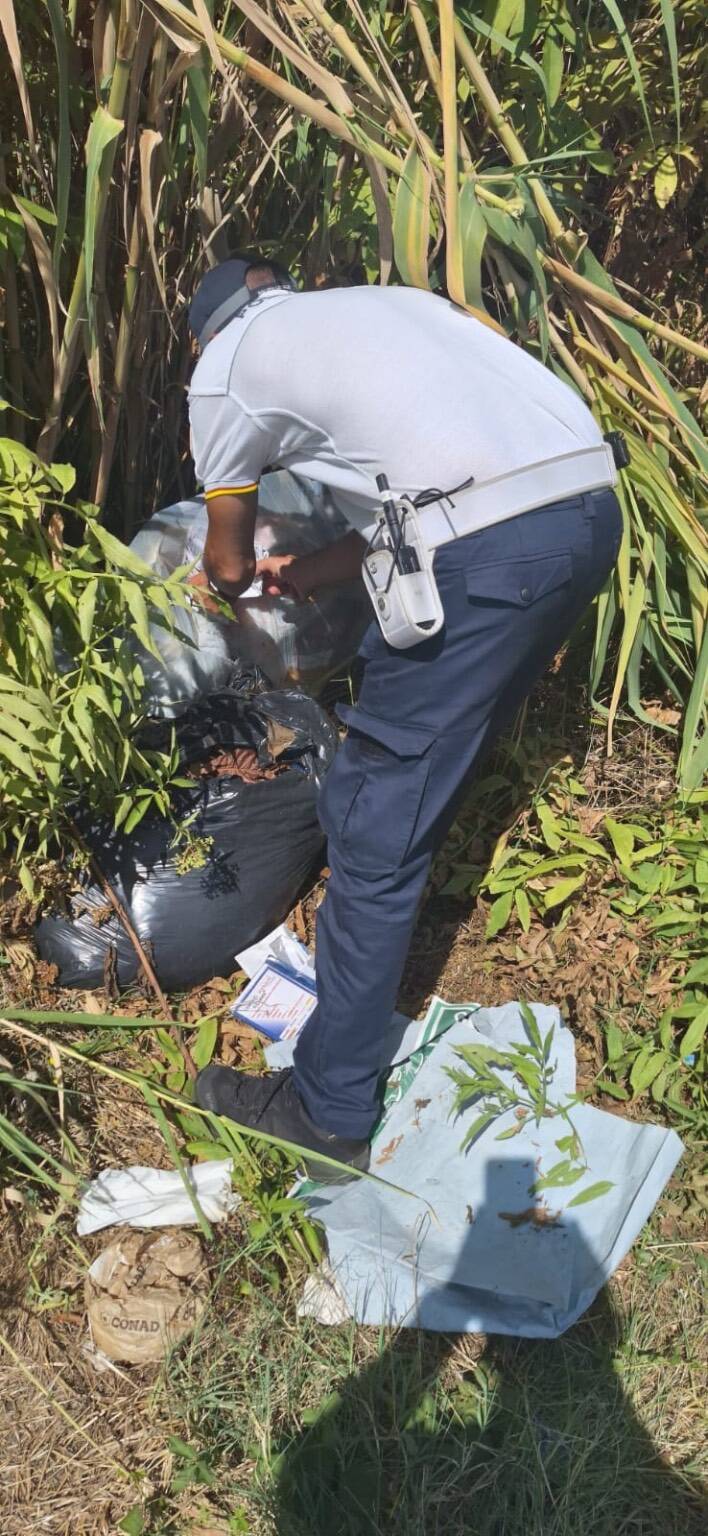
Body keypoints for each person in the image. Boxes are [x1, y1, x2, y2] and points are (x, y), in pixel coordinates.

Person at [187, 253, 622, 1178]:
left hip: (493, 551)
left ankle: (326, 1110)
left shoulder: (224, 365)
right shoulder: (380, 308)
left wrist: (225, 584)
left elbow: (223, 560)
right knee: (420, 780)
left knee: (371, 819)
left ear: (208, 331)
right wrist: (307, 574)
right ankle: (382, 940)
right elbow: (447, 479)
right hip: (584, 512)